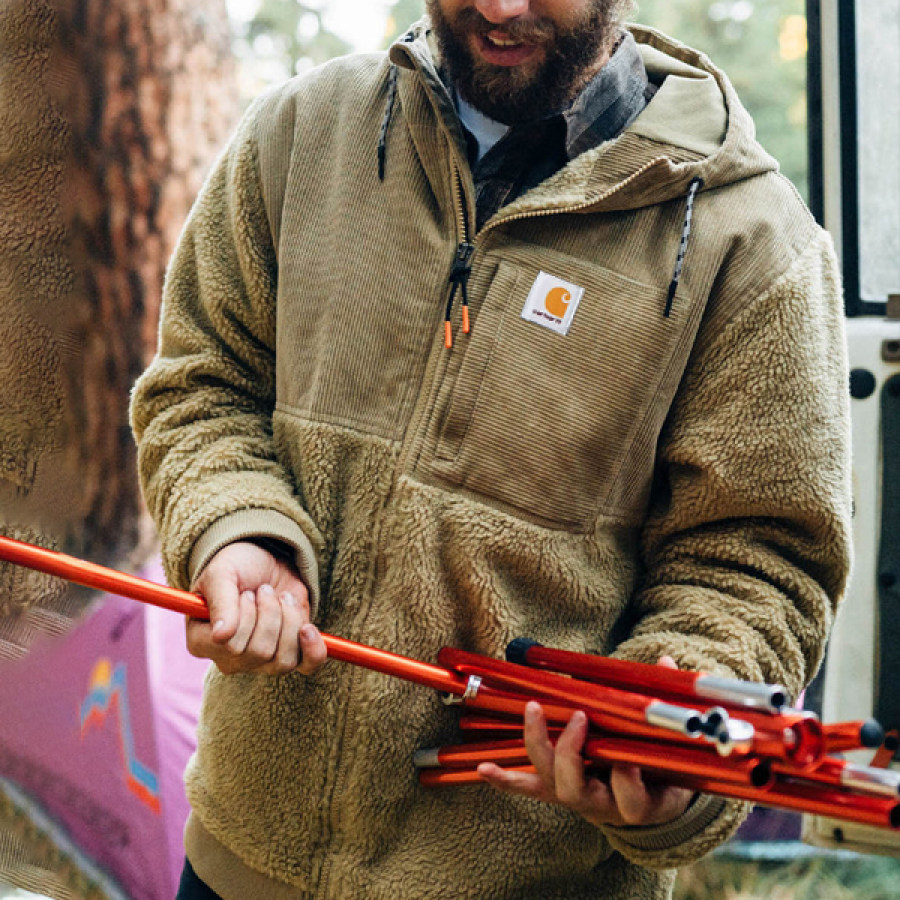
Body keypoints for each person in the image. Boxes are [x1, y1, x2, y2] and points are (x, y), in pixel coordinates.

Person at [130, 0, 852, 897]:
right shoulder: (302, 130)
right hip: (241, 866)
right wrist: (242, 531)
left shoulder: (757, 246)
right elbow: (203, 382)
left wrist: (662, 748)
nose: (498, 7)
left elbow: (756, 565)